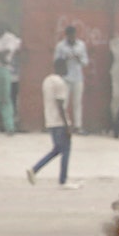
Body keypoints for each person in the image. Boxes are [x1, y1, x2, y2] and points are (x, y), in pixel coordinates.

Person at [27, 58, 79, 188]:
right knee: (66, 149)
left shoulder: (47, 80)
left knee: (57, 150)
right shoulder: (60, 83)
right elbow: (60, 105)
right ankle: (63, 180)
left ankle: (35, 169)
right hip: (60, 122)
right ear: (62, 67)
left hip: (50, 121)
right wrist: (67, 124)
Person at [53, 25, 89, 133]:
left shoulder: (81, 45)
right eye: (70, 35)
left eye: (74, 35)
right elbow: (56, 61)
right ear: (67, 35)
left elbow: (85, 62)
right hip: (65, 77)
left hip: (78, 77)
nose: (72, 37)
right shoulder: (61, 46)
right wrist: (66, 58)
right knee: (64, 102)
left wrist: (79, 59)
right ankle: (62, 125)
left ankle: (78, 126)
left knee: (77, 102)